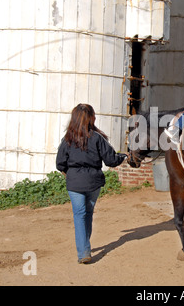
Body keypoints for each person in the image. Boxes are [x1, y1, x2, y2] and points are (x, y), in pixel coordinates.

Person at [56, 104, 127, 264]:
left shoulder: (67, 139)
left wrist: (69, 175)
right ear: (91, 118)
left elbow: (60, 163)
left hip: (74, 182)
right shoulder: (97, 138)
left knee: (80, 215)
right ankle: (84, 248)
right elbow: (111, 160)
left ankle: (83, 252)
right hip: (94, 181)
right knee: (87, 214)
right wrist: (124, 156)